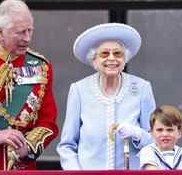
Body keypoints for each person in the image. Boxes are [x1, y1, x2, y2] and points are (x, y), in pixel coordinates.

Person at [57, 23, 156, 170]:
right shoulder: (79, 90)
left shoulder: (142, 88)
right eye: (104, 53)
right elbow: (67, 146)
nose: (112, 58)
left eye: (118, 53)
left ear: (124, 59)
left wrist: (137, 134)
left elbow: (155, 140)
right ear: (94, 59)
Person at [0, 0, 59, 170]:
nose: (27, 38)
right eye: (20, 32)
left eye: (30, 31)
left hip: (22, 168)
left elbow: (48, 121)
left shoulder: (40, 66)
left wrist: (28, 147)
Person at [139, 105, 182, 170]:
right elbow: (152, 171)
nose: (164, 134)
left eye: (170, 130)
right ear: (151, 133)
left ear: (179, 133)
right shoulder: (148, 151)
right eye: (159, 130)